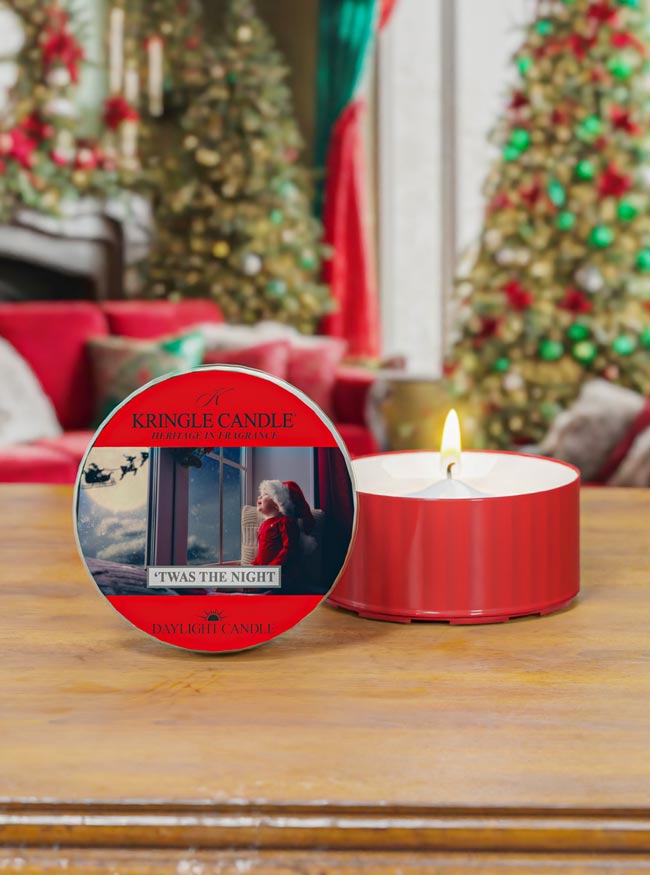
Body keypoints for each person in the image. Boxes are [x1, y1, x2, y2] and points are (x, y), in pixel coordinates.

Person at [252, 480, 315, 591]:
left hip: (282, 572)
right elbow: (262, 552)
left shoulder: (285, 522)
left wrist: (273, 568)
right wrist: (254, 564)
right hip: (265, 573)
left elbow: (289, 548)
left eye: (265, 494)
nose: (259, 497)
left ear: (277, 503)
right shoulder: (264, 525)